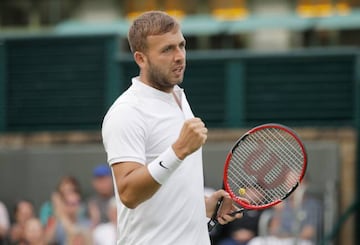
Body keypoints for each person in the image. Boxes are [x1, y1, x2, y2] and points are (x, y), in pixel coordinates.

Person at [102, 10, 242, 245]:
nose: (179, 56)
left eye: (181, 45)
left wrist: (204, 206)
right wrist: (178, 151)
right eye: (167, 50)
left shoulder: (177, 95)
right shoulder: (126, 112)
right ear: (140, 59)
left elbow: (167, 188)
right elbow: (128, 193)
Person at [248, 177, 322, 245]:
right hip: (281, 240)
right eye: (289, 183)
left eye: (295, 183)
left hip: (301, 241)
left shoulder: (313, 205)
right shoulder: (282, 204)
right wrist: (278, 212)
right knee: (256, 242)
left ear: (305, 184)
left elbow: (308, 234)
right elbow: (273, 231)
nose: (291, 187)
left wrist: (286, 236)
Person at [87, 164, 114, 228]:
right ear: (94, 183)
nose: (102, 184)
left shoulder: (120, 199)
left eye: (105, 180)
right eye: (99, 180)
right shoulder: (92, 202)